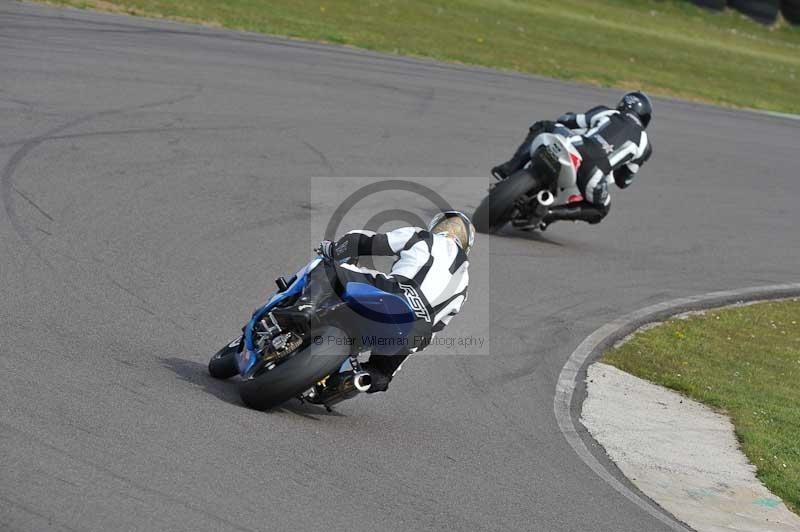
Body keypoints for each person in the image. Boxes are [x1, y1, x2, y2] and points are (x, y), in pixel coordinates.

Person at [316, 211, 473, 393]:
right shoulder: (465, 284)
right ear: (467, 243)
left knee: (328, 268)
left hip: (393, 293)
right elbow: (434, 331)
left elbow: (369, 242)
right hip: (415, 329)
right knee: (379, 376)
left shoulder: (423, 236)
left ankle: (305, 306)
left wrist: (334, 250)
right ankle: (353, 381)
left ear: (436, 227)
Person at [491, 91, 653, 230]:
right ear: (645, 118)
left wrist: (568, 117)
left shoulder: (607, 113)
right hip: (594, 174)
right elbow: (623, 181)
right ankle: (548, 215)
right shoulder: (645, 146)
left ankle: (510, 169)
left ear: (622, 105)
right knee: (601, 208)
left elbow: (568, 120)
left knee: (544, 125)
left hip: (575, 149)